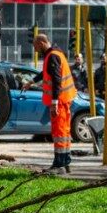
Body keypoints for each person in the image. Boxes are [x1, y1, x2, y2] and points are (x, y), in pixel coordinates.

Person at [33, 33, 76, 173]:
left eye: (36, 46)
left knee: (59, 133)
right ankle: (65, 162)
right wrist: (32, 81)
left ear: (42, 43)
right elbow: (46, 73)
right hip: (64, 100)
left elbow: (57, 80)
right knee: (64, 132)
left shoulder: (52, 56)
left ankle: (59, 164)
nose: (35, 49)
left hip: (60, 101)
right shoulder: (56, 54)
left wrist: (54, 102)